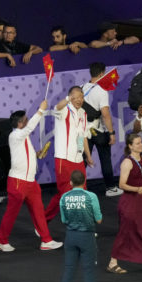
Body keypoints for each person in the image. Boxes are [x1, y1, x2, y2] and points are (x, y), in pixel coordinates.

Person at [0, 100, 63, 252]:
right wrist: (41, 111)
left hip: (30, 183)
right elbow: (30, 127)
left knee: (38, 211)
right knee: (11, 213)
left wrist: (36, 154)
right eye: (26, 119)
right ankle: (1, 241)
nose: (28, 121)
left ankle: (46, 240)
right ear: (19, 123)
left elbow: (24, 153)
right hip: (18, 182)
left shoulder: (23, 136)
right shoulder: (15, 135)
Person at [46, 87, 94, 223]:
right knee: (64, 194)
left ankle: (84, 224)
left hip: (78, 158)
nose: (80, 100)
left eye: (82, 97)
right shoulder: (65, 110)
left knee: (83, 193)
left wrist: (88, 156)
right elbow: (57, 107)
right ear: (70, 97)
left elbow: (83, 136)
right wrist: (68, 99)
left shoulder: (83, 113)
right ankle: (43, 222)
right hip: (64, 159)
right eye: (76, 97)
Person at [107, 133, 142, 276]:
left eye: (141, 142)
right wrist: (136, 189)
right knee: (126, 233)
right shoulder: (127, 163)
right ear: (130, 146)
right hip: (130, 203)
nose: (141, 145)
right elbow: (121, 184)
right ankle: (113, 262)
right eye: (138, 143)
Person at [59, 170, 103, 282]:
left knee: (69, 270)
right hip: (87, 237)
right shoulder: (91, 196)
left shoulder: (64, 197)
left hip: (70, 237)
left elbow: (64, 220)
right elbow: (99, 219)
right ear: (84, 182)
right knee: (88, 271)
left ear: (70, 183)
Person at [82, 62, 121, 197]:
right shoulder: (102, 90)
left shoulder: (81, 88)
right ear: (100, 74)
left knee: (82, 161)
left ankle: (78, 188)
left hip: (84, 131)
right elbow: (105, 114)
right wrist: (111, 133)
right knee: (105, 159)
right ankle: (110, 188)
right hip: (99, 130)